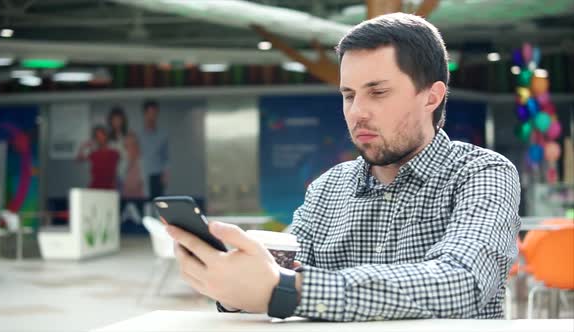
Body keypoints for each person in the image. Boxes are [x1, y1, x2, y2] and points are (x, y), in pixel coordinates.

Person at [165, 13, 520, 321]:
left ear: (431, 96)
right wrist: (233, 288)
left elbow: (462, 284)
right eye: (349, 95)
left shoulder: (481, 173)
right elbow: (280, 269)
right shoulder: (328, 187)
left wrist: (290, 289)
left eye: (377, 92)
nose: (357, 111)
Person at [139, 100, 169, 198]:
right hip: (142, 175)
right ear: (145, 114)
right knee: (142, 205)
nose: (152, 116)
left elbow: (165, 158)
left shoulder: (162, 135)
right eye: (149, 113)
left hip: (157, 176)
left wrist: (165, 175)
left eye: (154, 113)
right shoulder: (138, 135)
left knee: (158, 204)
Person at [107, 106, 130, 191]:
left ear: (123, 121)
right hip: (109, 177)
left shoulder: (127, 137)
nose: (117, 122)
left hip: (124, 176)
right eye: (114, 120)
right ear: (111, 121)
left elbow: (130, 157)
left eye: (119, 120)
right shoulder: (107, 139)